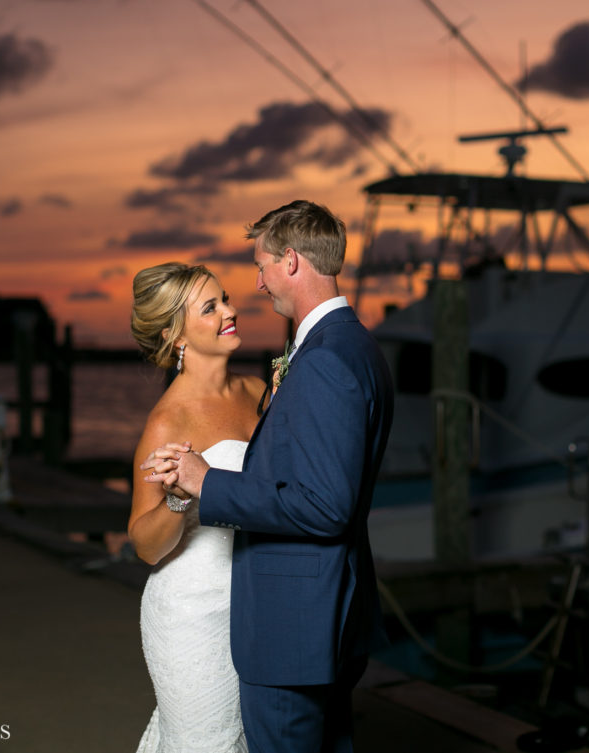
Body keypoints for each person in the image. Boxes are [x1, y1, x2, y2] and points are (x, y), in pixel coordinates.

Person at [142, 200, 395, 753]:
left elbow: (326, 505)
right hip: (275, 615)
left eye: (261, 267)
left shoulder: (324, 359)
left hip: (292, 625)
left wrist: (206, 482)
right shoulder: (349, 348)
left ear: (292, 261)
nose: (256, 285)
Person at [127, 262, 265, 753]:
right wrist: (179, 498)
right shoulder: (168, 420)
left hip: (256, 603)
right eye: (211, 307)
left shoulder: (259, 393)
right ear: (174, 336)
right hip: (192, 616)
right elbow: (145, 545)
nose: (231, 311)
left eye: (225, 298)